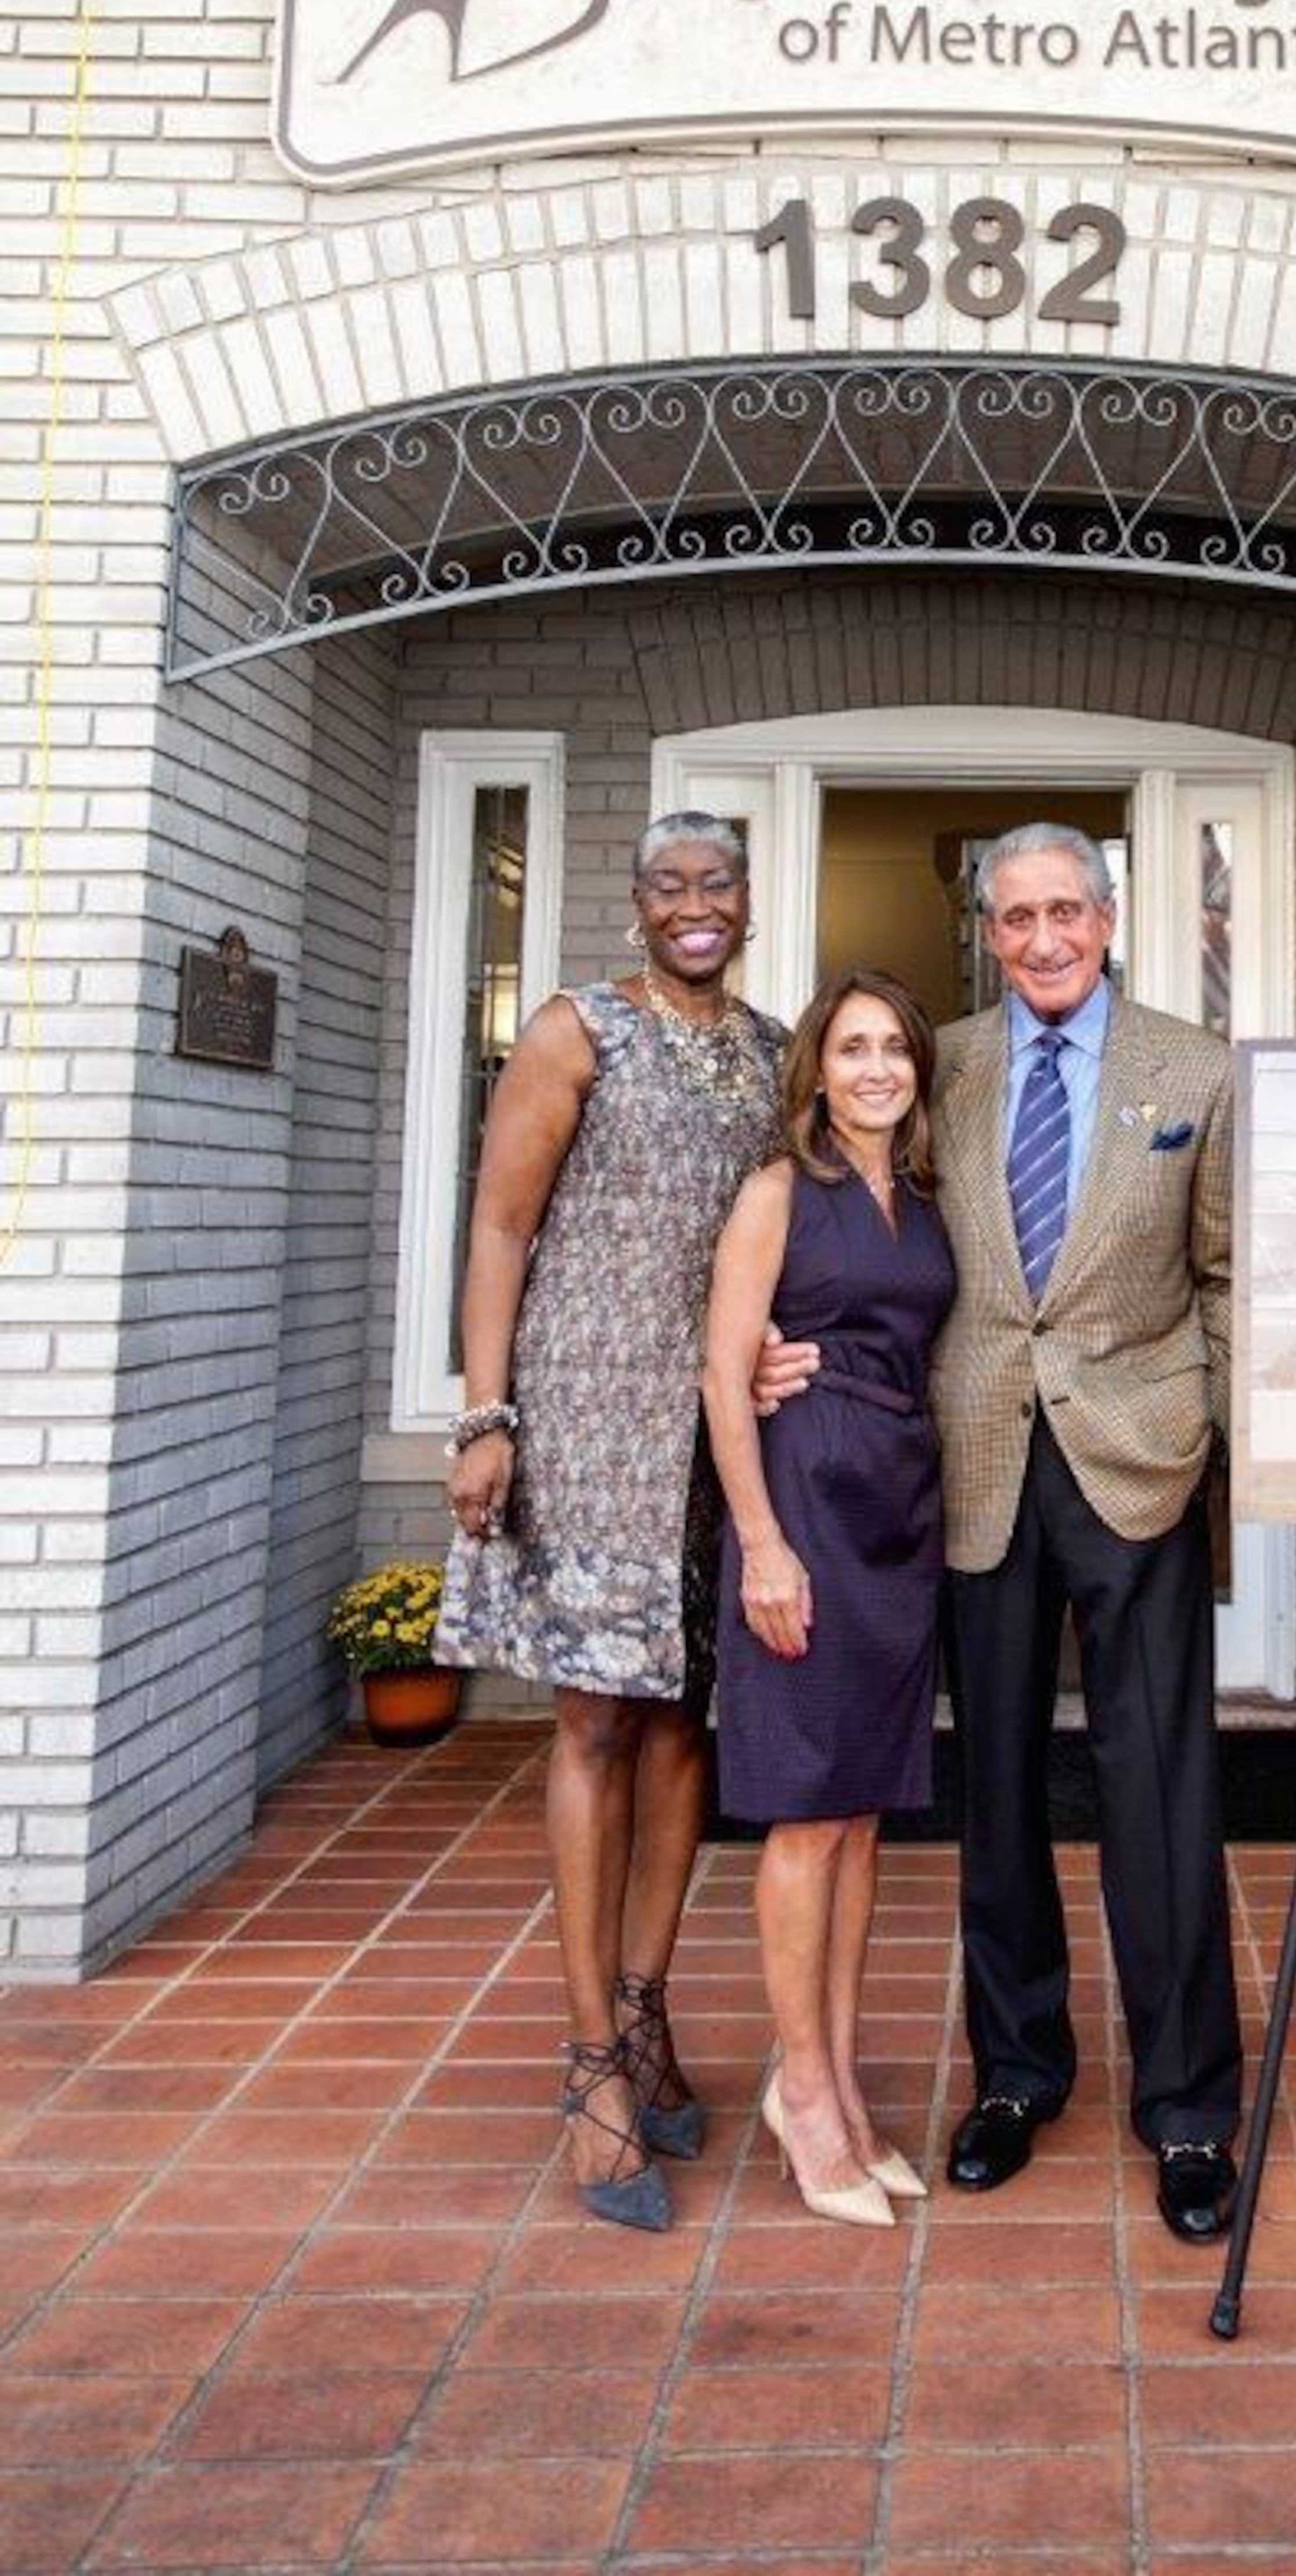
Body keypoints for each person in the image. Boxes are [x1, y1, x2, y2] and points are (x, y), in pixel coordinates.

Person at [759, 822, 1244, 2242]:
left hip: (1138, 1460)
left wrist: (1212, 1429)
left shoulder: (1197, 1072)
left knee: (1162, 1788)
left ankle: (1188, 2107)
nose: (1043, 940)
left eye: (1065, 913)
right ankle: (1019, 2078)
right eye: (1016, 917)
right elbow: (847, 1220)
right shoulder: (943, 1066)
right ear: (988, 931)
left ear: (1109, 918)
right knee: (1001, 1793)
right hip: (969, 1464)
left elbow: (1229, 1271)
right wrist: (779, 1344)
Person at [437, 813, 785, 2230]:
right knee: (593, 1722)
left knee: (686, 1721)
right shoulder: (576, 1030)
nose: (695, 904)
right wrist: (485, 1411)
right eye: (668, 885)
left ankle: (646, 2010)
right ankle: (589, 2059)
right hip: (586, 1420)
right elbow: (501, 1227)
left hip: (713, 1433)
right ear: (637, 906)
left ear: (746, 903)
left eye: (717, 883)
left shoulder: (770, 1053)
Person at [701, 971, 956, 2229]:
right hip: (805, 1499)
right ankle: (800, 2089)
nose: (876, 1068)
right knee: (807, 1817)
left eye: (894, 1047)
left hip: (899, 1510)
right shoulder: (778, 1191)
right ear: (816, 1069)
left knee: (861, 1818)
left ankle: (841, 2082)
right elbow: (723, 1370)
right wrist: (761, 1544)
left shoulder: (923, 1197)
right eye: (853, 1048)